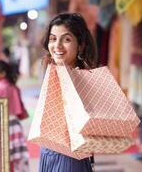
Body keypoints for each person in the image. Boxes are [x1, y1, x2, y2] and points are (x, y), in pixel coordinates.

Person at [39, 13, 97, 172]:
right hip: (48, 152)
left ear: (81, 45)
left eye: (66, 39)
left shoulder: (81, 78)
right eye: (53, 38)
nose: (57, 45)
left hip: (70, 157)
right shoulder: (53, 73)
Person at [0, 60, 29, 172]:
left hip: (4, 125)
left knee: (4, 158)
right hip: (15, 125)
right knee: (16, 159)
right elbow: (20, 111)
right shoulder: (13, 87)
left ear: (2, 73)